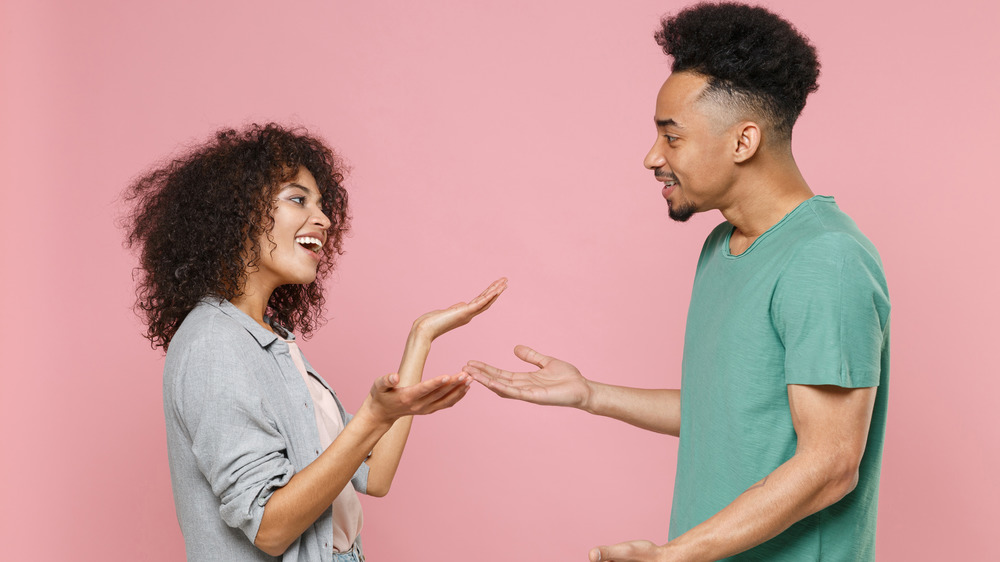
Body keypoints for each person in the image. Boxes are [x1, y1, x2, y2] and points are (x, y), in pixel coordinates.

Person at [464, 3, 890, 561]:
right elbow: (733, 416)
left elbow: (830, 465)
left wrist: (677, 553)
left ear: (743, 142)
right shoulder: (722, 246)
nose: (651, 157)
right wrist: (590, 395)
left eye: (672, 137)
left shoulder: (824, 258)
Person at [123, 123, 506, 561]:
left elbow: (374, 474)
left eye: (323, 205)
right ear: (238, 213)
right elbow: (268, 527)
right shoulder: (214, 344)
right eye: (298, 199)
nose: (323, 219)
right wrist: (373, 416)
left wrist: (421, 337)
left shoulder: (270, 341)